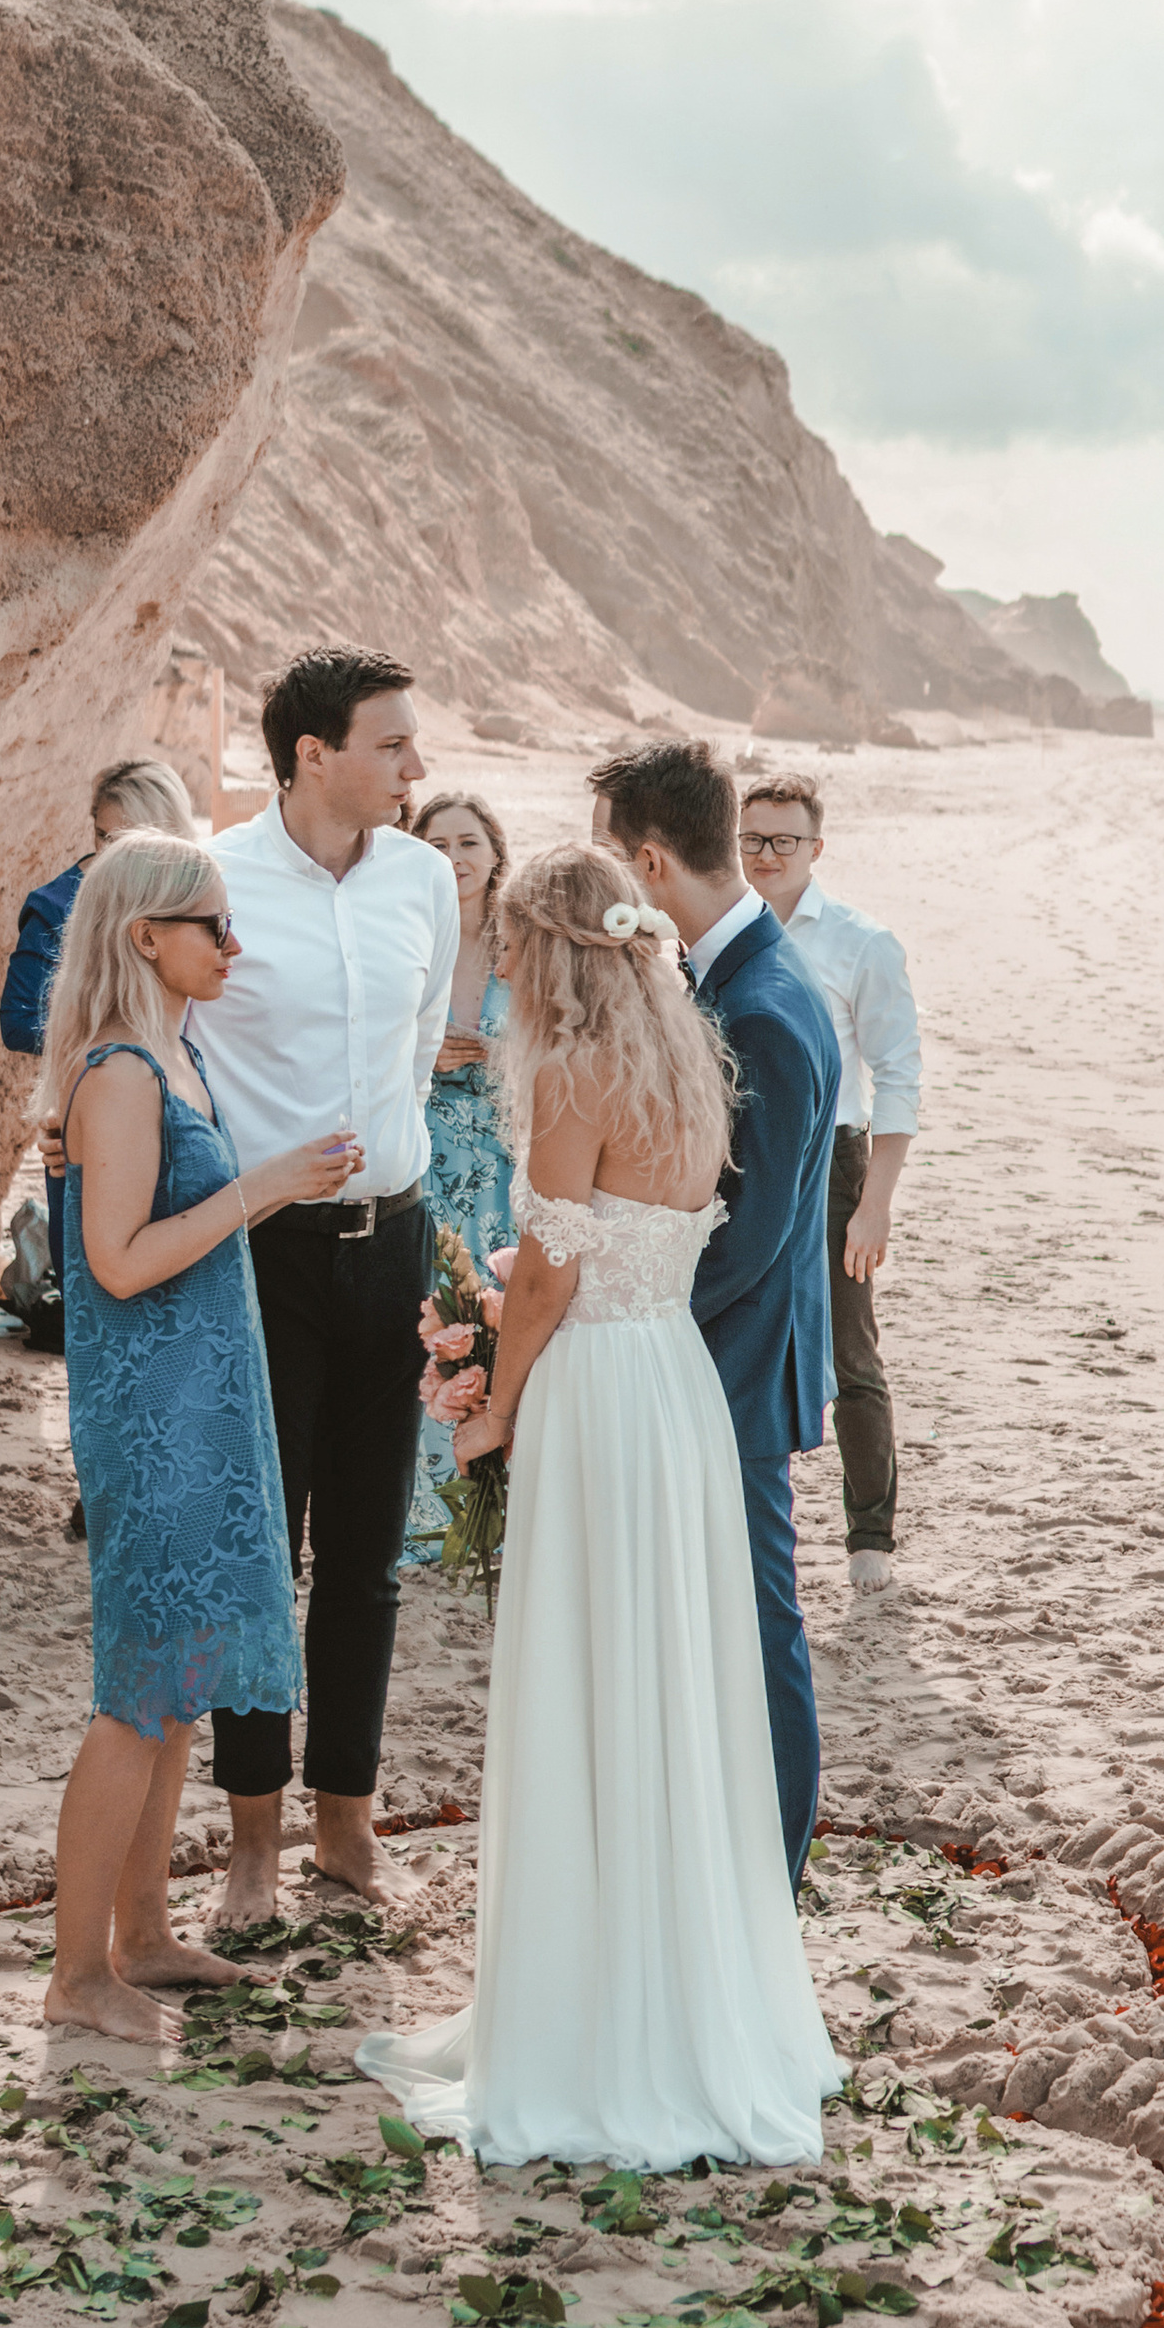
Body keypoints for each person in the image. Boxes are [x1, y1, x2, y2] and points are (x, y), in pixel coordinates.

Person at [356, 845, 839, 2166]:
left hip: (596, 1399)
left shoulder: (573, 1071)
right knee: (667, 1685)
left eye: (510, 940)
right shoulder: (689, 1058)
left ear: (554, 949)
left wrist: (492, 1402)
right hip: (672, 1388)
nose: (497, 962)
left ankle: (593, 2030)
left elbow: (556, 1278)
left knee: (588, 1680)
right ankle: (686, 1996)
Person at [41, 831, 357, 2044]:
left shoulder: (172, 1057)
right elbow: (117, 1264)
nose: (236, 946)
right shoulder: (122, 1072)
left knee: (181, 1686)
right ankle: (78, 1977)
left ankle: (146, 1936)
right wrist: (264, 1187)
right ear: (145, 939)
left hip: (207, 1404)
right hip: (155, 1417)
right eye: (213, 927)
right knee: (137, 1692)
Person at [588, 739, 838, 1882]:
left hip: (732, 1361)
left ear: (649, 856)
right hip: (712, 1351)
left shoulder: (767, 1009)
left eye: (613, 859)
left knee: (755, 1616)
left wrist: (621, 1299)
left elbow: (760, 1228)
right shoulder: (732, 976)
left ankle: (772, 1870)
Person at [740, 771, 920, 1596]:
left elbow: (899, 1079)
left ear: (817, 847)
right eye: (752, 838)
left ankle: (870, 1533)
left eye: (784, 840)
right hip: (735, 1158)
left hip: (835, 1165)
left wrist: (875, 1204)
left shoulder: (861, 942)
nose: (766, 854)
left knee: (849, 1351)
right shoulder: (711, 934)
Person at [0, 754, 196, 1293]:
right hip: (98, 1132)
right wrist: (112, 1046)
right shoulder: (58, 904)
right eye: (107, 838)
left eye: (134, 839)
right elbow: (17, 1020)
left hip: (191, 1134)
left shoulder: (197, 904)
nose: (118, 857)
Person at [402, 787, 516, 1565]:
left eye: (468, 842)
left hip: (508, 1160)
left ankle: (503, 1514)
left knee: (508, 1328)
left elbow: (564, 1048)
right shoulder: (406, 940)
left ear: (496, 854)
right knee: (435, 1328)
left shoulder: (528, 945)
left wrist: (500, 1057)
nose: (455, 859)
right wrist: (425, 1054)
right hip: (432, 1160)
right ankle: (431, 1516)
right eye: (437, 845)